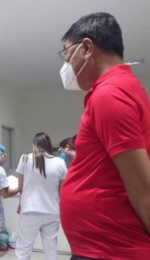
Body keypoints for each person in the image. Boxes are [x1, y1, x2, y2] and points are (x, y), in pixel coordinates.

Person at [59, 12, 150, 259]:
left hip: (111, 249)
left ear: (87, 48)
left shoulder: (110, 95)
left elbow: (143, 188)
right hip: (103, 247)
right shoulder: (117, 90)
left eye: (67, 56)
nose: (66, 66)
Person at [15, 132, 67, 260]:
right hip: (52, 211)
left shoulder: (25, 158)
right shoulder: (60, 162)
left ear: (34, 145)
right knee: (51, 250)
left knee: (24, 249)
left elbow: (20, 187)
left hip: (29, 210)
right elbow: (62, 191)